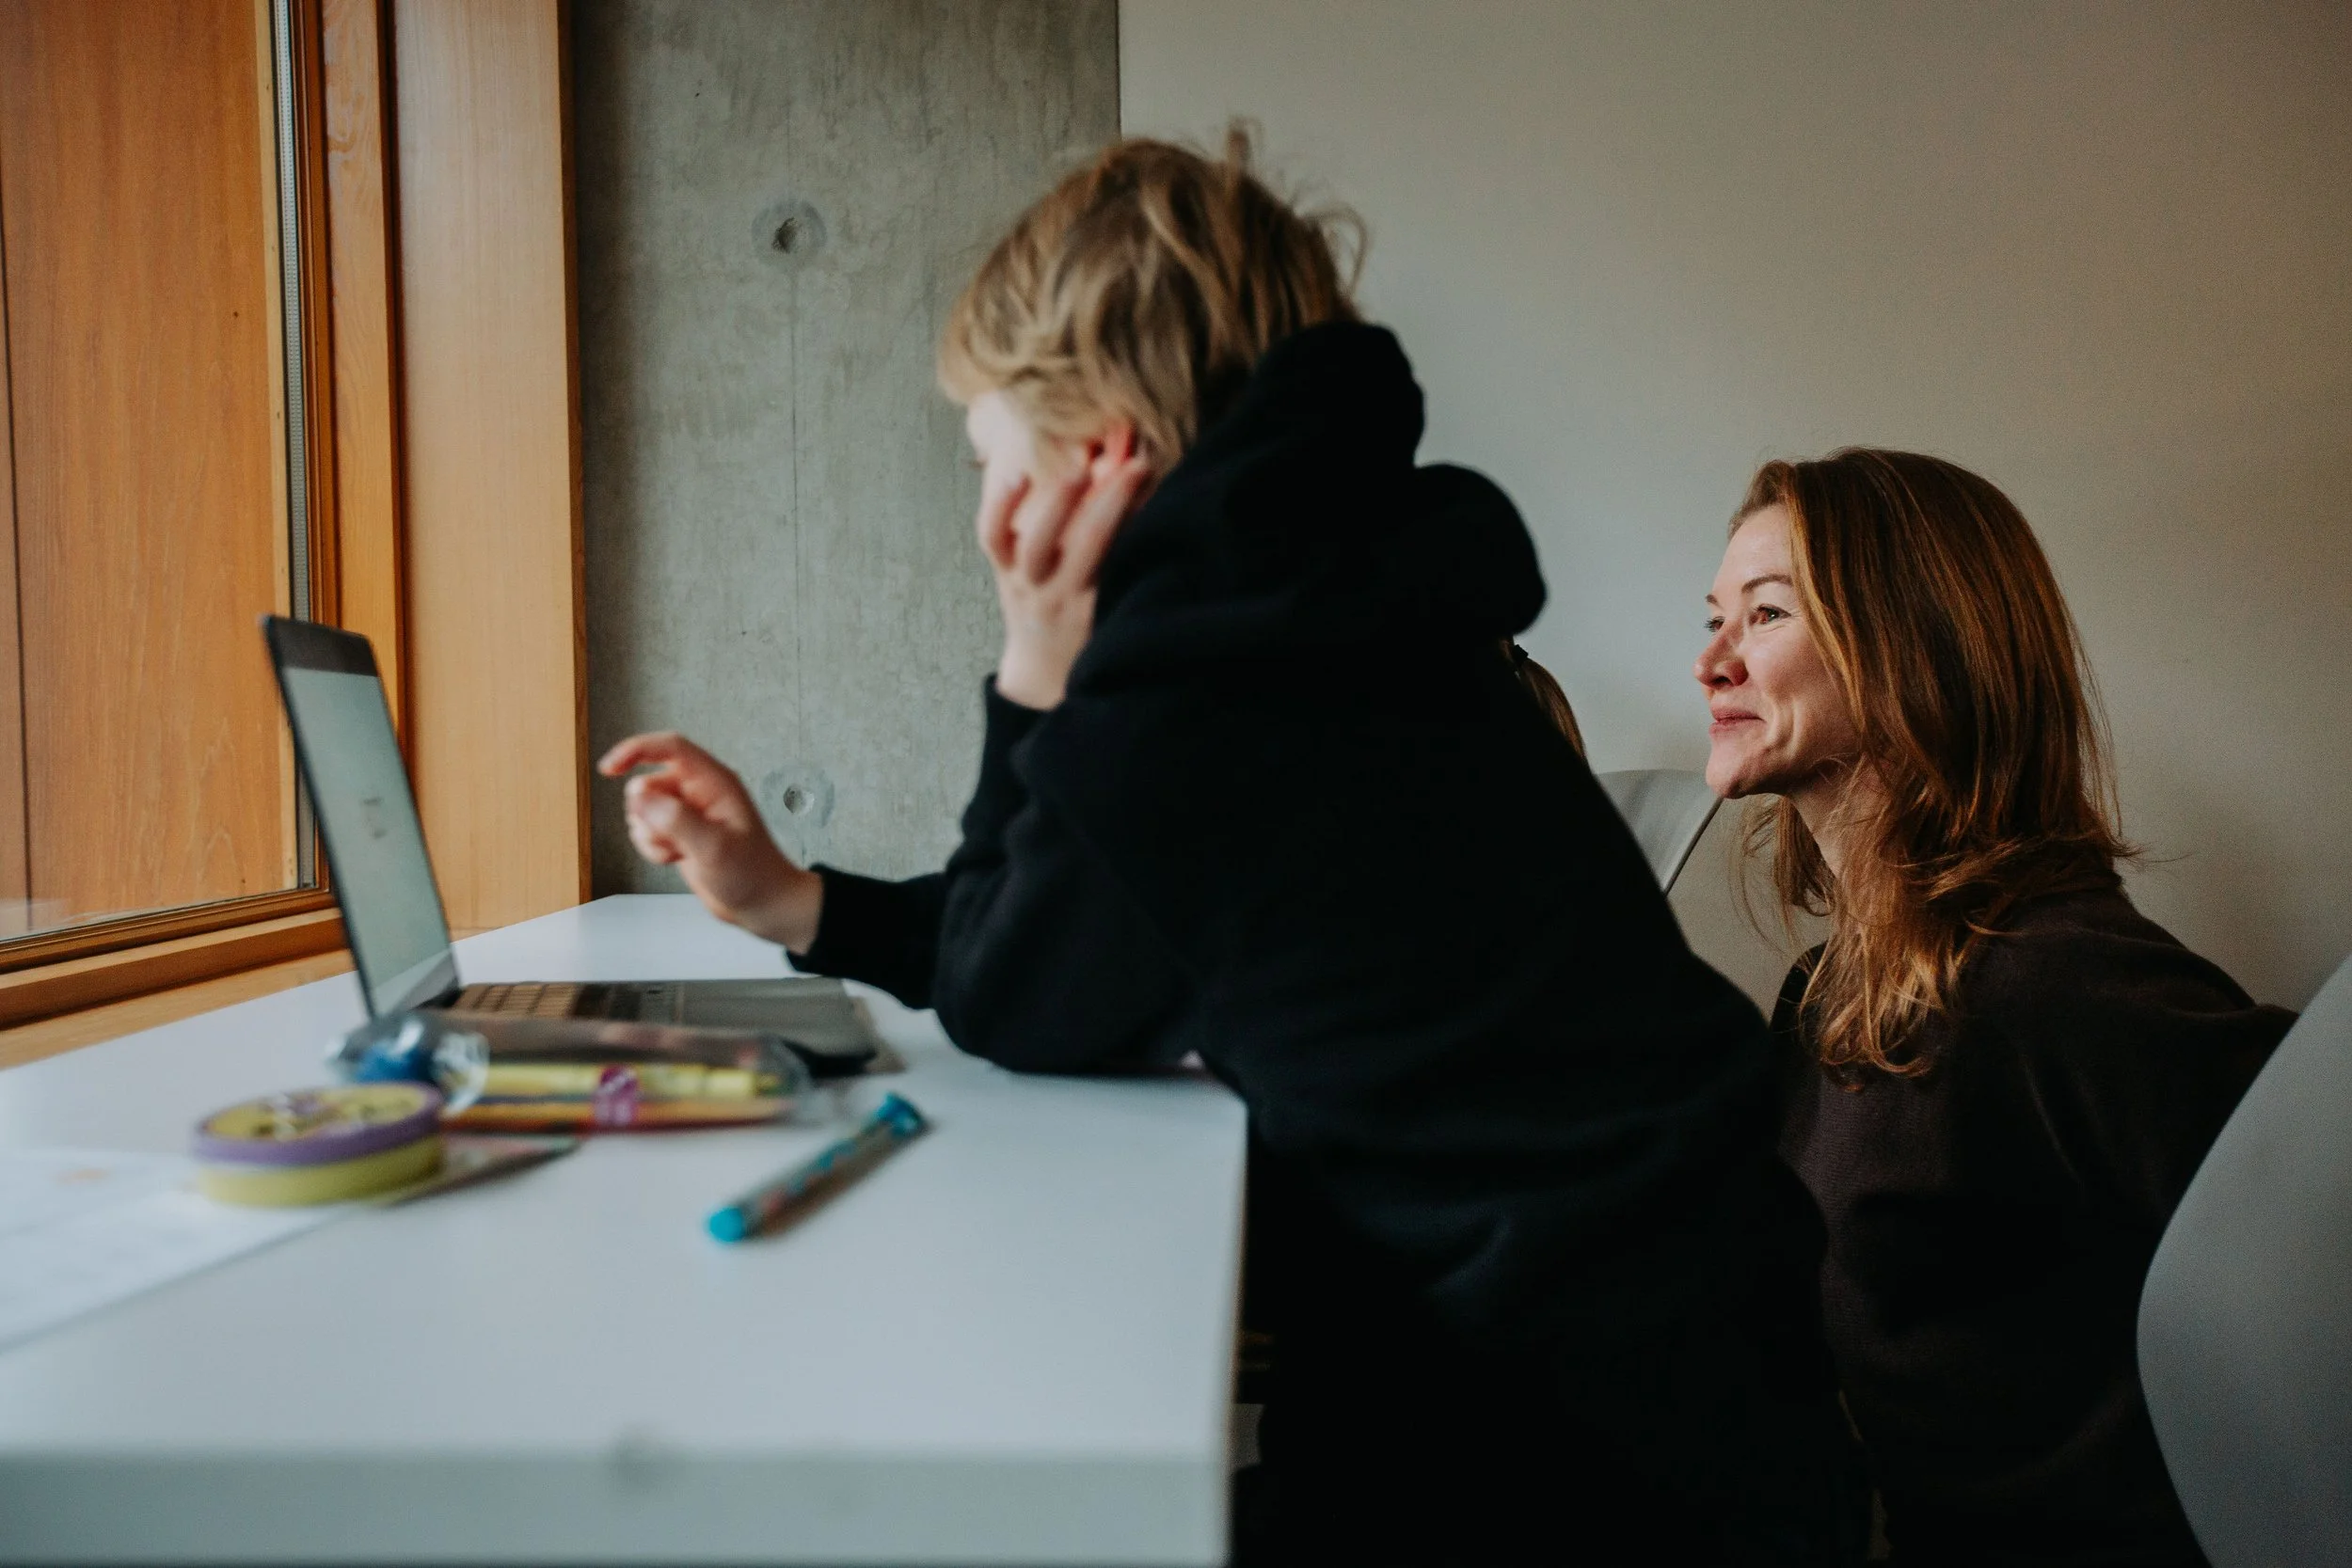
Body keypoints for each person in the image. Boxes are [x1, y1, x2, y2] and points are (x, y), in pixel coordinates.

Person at [604, 131, 1860, 1563]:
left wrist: (1032, 669)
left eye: (984, 453)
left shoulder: (1220, 672)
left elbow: (1028, 989)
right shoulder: (1327, 599)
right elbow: (1082, 919)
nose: (976, 509)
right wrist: (794, 899)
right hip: (1680, 1374)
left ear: (1097, 452)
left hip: (1562, 1456)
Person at [1695, 448, 2293, 1567]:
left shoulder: (2051, 981)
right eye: (1714, 616)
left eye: (1763, 613)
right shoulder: (1824, 995)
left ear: (1907, 647)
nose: (1709, 660)